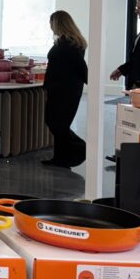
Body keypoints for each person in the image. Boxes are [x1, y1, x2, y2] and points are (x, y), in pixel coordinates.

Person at [43, 11, 88, 167]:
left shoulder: (69, 43)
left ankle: (82, 148)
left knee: (57, 123)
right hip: (62, 88)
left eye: (51, 23)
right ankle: (60, 158)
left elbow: (80, 66)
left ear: (57, 23)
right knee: (57, 123)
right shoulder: (68, 41)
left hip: (65, 90)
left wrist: (92, 83)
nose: (50, 26)